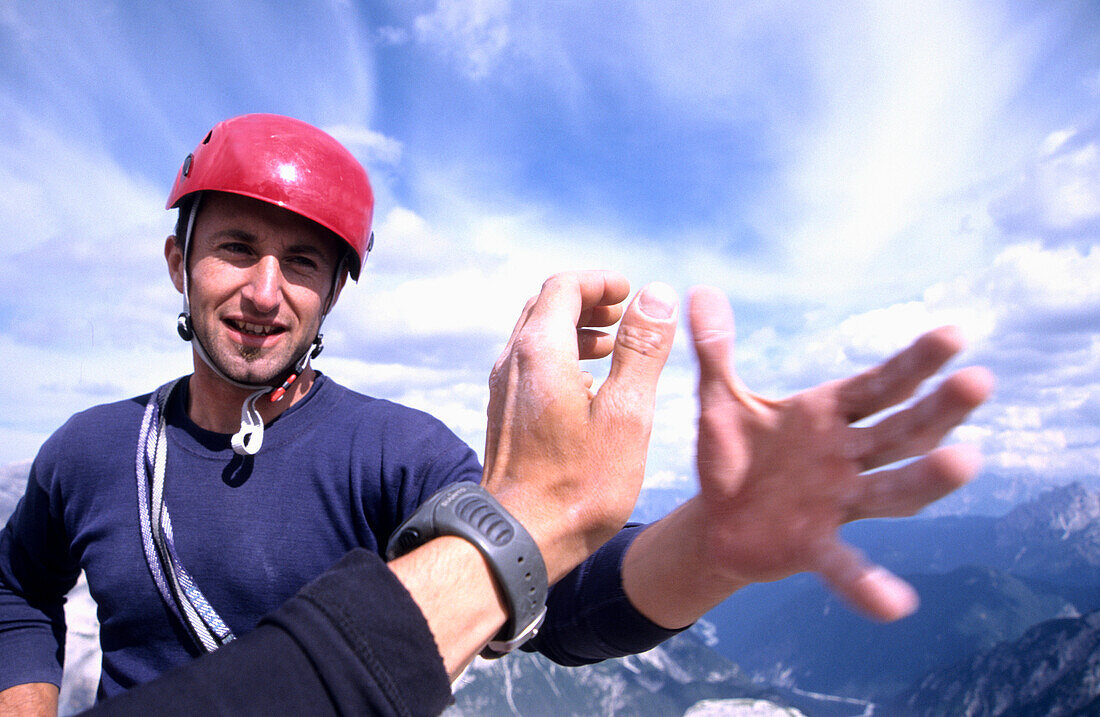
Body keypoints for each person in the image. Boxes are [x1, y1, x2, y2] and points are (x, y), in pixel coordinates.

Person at [0, 114, 993, 715]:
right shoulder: (91, 452)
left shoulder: (389, 452)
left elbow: (555, 599)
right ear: (180, 262)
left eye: (303, 262)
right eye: (236, 248)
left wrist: (714, 544)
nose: (266, 290)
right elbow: (17, 593)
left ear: (332, 294)